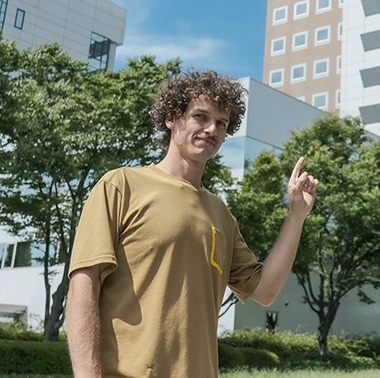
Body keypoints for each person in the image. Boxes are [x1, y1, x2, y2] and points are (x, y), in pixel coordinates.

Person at [66, 70, 319, 378]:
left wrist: (296, 216)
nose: (212, 129)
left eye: (222, 123)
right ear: (171, 118)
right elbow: (83, 286)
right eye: (201, 117)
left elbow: (265, 291)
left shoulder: (221, 214)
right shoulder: (121, 185)